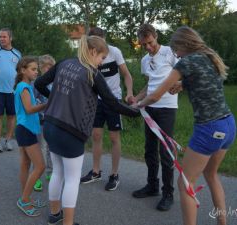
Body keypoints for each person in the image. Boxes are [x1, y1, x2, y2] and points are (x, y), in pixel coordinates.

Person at [133, 26, 236, 225]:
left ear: (183, 45)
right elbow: (204, 84)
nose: (176, 53)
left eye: (176, 49)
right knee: (211, 174)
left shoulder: (186, 61)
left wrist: (138, 105)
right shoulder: (208, 57)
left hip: (208, 128)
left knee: (185, 183)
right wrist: (182, 85)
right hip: (228, 124)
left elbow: (154, 95)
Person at [35, 35, 138, 225]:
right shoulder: (92, 74)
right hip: (70, 132)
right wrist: (136, 112)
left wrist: (55, 98)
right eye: (101, 58)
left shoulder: (64, 63)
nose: (101, 63)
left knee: (58, 172)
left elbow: (38, 83)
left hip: (50, 125)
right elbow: (112, 103)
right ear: (92, 52)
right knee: (72, 179)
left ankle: (54, 214)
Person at [130, 24, 179, 211]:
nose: (148, 48)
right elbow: (149, 85)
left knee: (165, 152)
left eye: (150, 43)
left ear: (156, 36)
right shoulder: (144, 60)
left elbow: (182, 75)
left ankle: (168, 194)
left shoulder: (170, 52)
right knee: (149, 150)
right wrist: (137, 98)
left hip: (167, 108)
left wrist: (181, 84)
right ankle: (152, 186)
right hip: (149, 108)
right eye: (144, 45)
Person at [80, 27, 134, 191]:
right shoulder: (88, 55)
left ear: (104, 39)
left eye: (99, 39)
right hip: (96, 100)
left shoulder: (114, 52)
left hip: (113, 100)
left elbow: (126, 74)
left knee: (113, 137)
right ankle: (96, 172)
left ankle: (114, 174)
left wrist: (130, 93)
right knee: (96, 135)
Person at [14, 56, 46, 217]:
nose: (36, 72)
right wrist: (48, 103)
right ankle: (24, 200)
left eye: (36, 69)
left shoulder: (23, 86)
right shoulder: (24, 87)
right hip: (26, 130)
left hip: (23, 129)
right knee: (40, 166)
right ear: (23, 70)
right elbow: (29, 109)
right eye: (33, 69)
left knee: (25, 164)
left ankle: (25, 197)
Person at [0, 28, 21, 153]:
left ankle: (8, 140)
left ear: (10, 38)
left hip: (12, 91)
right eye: (0, 36)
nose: (1, 39)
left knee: (12, 116)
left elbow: (20, 72)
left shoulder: (17, 54)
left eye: (4, 37)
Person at [33, 54, 56, 192]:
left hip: (53, 120)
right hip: (41, 119)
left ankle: (50, 172)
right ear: (40, 68)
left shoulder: (56, 82)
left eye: (50, 67)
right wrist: (41, 105)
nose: (47, 69)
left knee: (51, 148)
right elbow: (32, 99)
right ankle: (36, 177)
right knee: (40, 148)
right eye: (45, 67)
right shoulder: (37, 82)